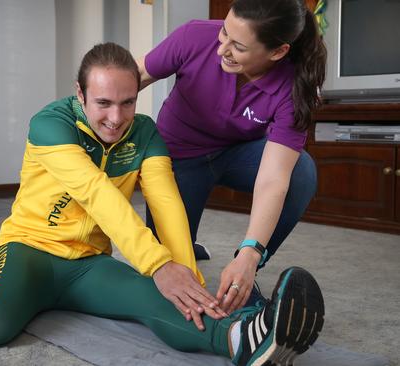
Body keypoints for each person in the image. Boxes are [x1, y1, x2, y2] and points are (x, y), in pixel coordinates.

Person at [0, 42, 324, 365]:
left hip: (88, 264)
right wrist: (157, 265)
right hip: (29, 250)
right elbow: (98, 195)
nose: (116, 118)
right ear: (79, 94)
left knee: (168, 303)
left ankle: (242, 339)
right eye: (103, 103)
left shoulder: (145, 133)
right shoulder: (52, 124)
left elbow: (166, 204)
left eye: (127, 102)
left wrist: (186, 278)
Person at [137, 0, 326, 313]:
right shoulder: (195, 37)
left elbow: (273, 179)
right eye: (224, 33)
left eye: (237, 46)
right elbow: (136, 74)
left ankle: (244, 274)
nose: (221, 49)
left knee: (301, 171)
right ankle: (187, 240)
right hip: (178, 157)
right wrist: (85, 110)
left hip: (238, 155)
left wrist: (250, 254)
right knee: (165, 275)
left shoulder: (294, 87)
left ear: (277, 52)